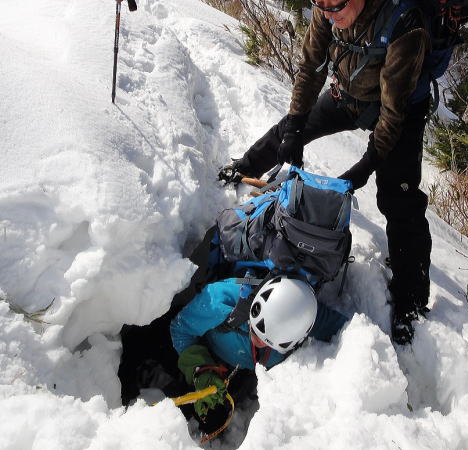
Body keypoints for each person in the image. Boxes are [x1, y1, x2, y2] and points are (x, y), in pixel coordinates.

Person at [218, 0, 432, 345]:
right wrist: (294, 127)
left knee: (399, 199)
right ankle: (242, 169)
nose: (329, 14)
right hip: (348, 95)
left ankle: (411, 299)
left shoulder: (405, 22)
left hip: (400, 111)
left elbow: (393, 113)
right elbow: (311, 67)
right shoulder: (327, 6)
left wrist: (367, 164)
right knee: (288, 131)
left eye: (335, 6)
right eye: (321, 5)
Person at [169, 274, 348, 424]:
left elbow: (351, 330)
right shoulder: (221, 300)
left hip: (242, 370)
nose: (260, 343)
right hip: (212, 356)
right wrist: (201, 369)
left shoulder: (302, 317)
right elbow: (180, 329)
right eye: (255, 331)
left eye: (268, 342)